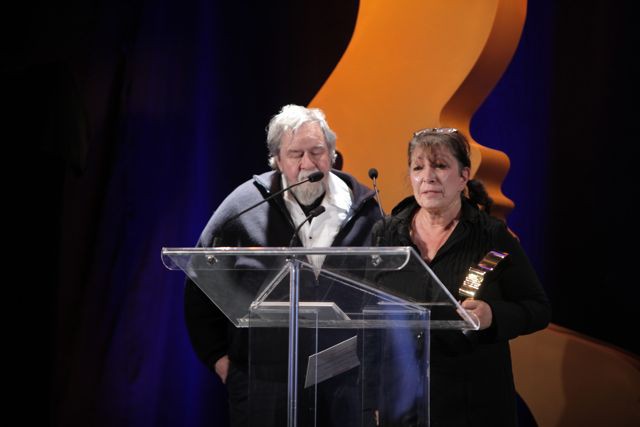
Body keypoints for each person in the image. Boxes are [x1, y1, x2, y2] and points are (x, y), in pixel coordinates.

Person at [183, 104, 382, 426]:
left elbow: (387, 297)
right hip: (264, 385)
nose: (308, 164)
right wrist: (221, 361)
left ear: (332, 154)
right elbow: (200, 285)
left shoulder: (366, 211)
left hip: (345, 382)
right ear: (276, 159)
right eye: (295, 154)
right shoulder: (244, 207)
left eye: (317, 152)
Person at [369, 128, 551, 427]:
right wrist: (370, 398)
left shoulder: (491, 235)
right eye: (418, 167)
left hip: (472, 403)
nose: (428, 177)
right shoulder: (386, 234)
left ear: (463, 176)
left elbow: (538, 308)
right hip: (401, 402)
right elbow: (367, 317)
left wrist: (493, 315)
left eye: (440, 165)